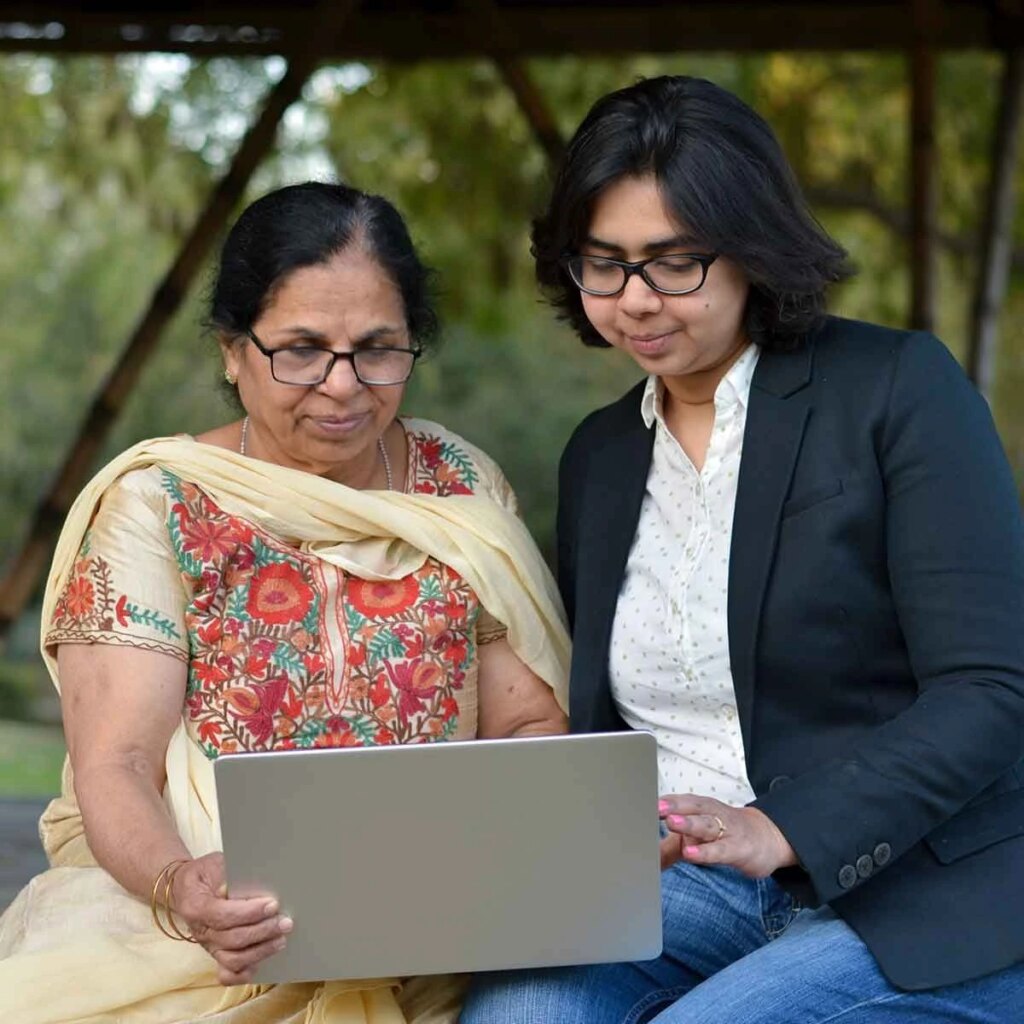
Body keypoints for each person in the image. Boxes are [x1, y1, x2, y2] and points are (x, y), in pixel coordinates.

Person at [460, 75, 1024, 1023]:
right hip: (677, 883)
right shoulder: (600, 455)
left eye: (672, 262)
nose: (634, 301)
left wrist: (782, 828)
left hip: (915, 885)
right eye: (602, 263)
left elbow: (994, 687)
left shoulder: (896, 390)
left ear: (753, 250)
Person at [0, 181, 569, 1024]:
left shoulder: (462, 488)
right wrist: (183, 890)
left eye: (378, 349)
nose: (342, 387)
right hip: (196, 939)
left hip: (437, 934)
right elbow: (117, 765)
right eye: (300, 349)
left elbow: (524, 727)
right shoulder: (159, 503)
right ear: (233, 351)